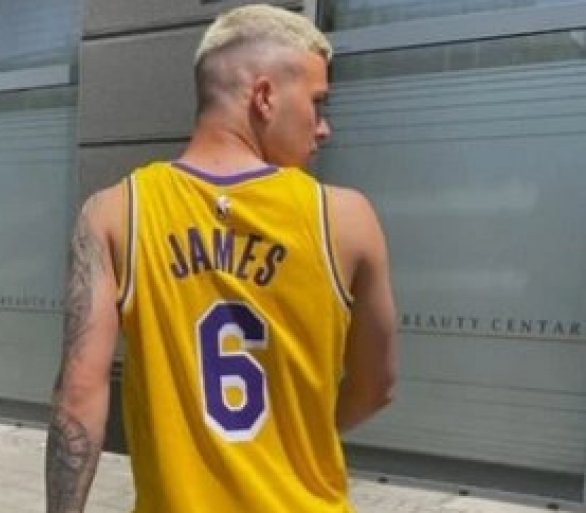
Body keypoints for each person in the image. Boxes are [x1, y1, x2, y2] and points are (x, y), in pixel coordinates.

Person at [45, 4, 397, 512]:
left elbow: (78, 397)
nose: (324, 128)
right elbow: (377, 386)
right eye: (317, 103)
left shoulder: (116, 213)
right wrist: (289, 439)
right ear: (265, 97)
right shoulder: (344, 219)